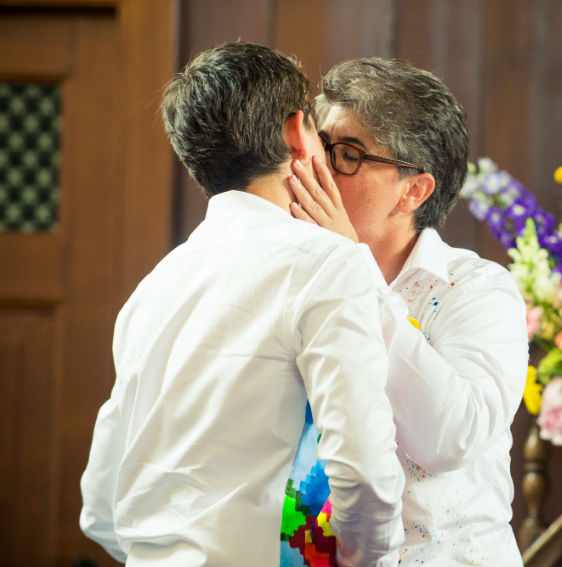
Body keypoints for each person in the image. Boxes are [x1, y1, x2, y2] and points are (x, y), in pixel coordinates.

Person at [79, 43, 405, 567]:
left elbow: (100, 507)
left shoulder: (151, 289)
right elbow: (363, 470)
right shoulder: (329, 262)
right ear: (297, 133)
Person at [286, 58, 528, 566]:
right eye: (321, 146)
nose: (319, 168)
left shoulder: (474, 288)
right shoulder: (296, 278)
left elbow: (450, 437)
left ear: (414, 190)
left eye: (347, 155)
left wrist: (354, 272)